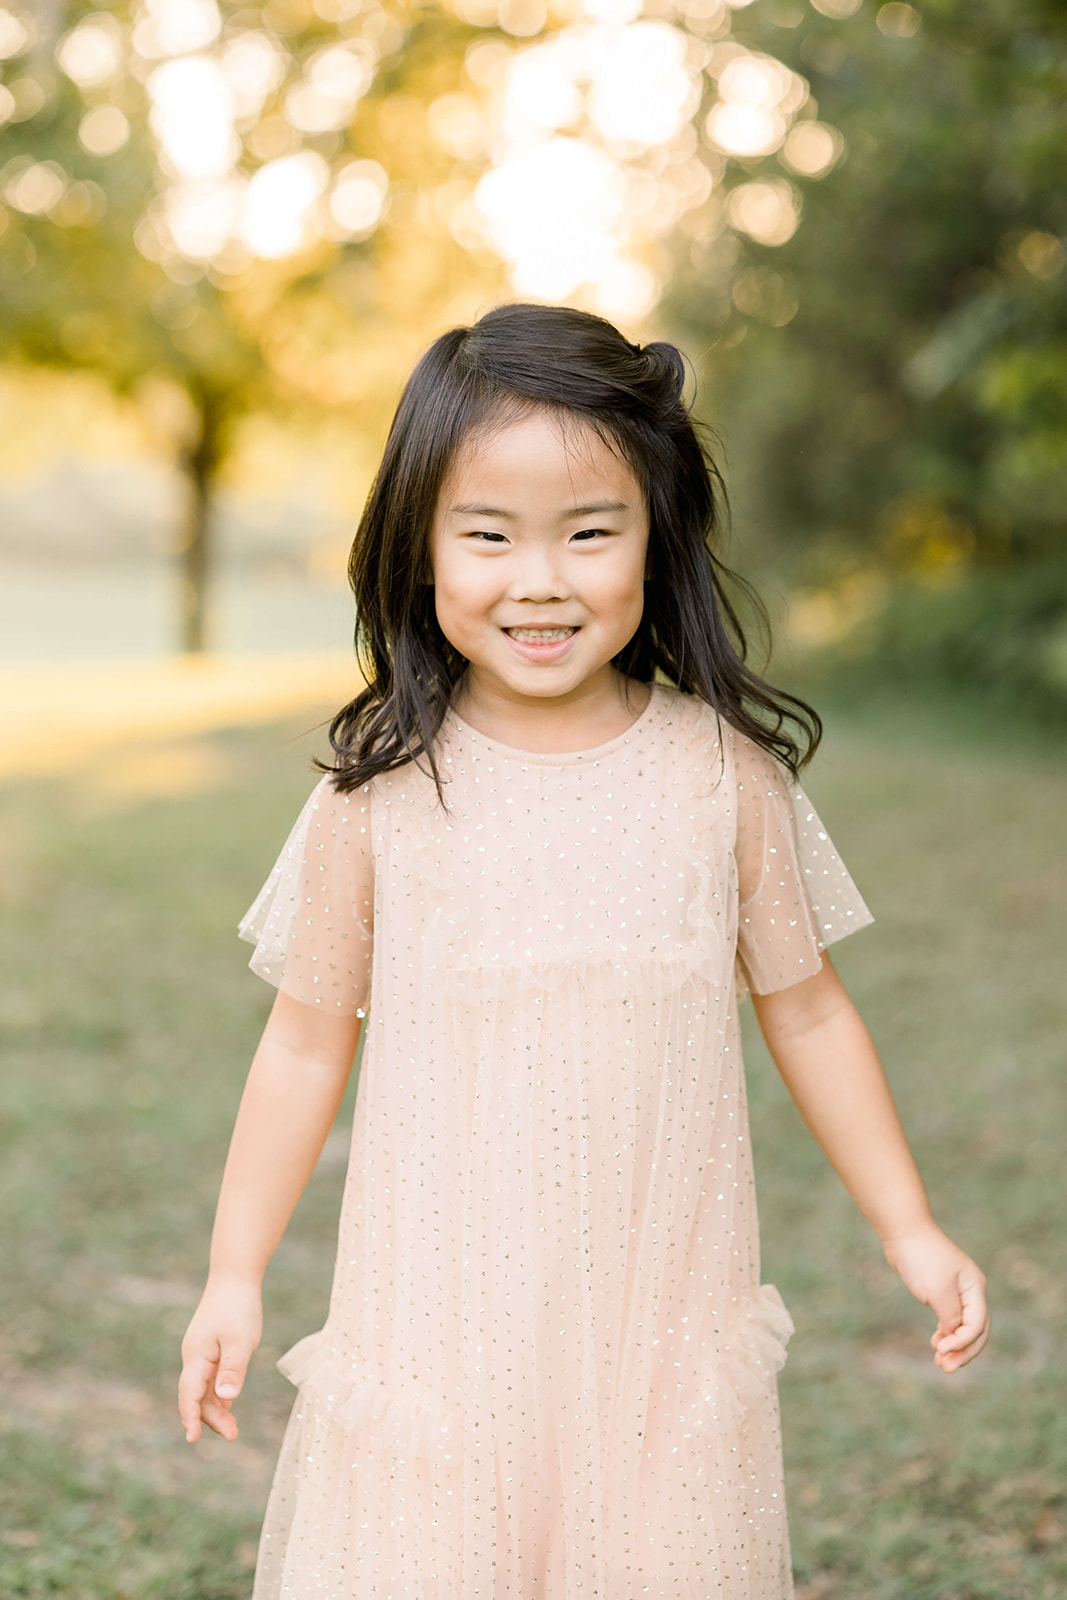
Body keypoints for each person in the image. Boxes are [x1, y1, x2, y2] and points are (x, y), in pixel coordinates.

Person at [178, 302, 989, 1600]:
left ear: (654, 542)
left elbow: (812, 1012)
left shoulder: (724, 781)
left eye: (589, 533)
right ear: (420, 547)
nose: (539, 579)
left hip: (655, 1331)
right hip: (443, 1329)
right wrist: (231, 1275)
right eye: (487, 535)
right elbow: (301, 1040)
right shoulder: (377, 795)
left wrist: (910, 1226)